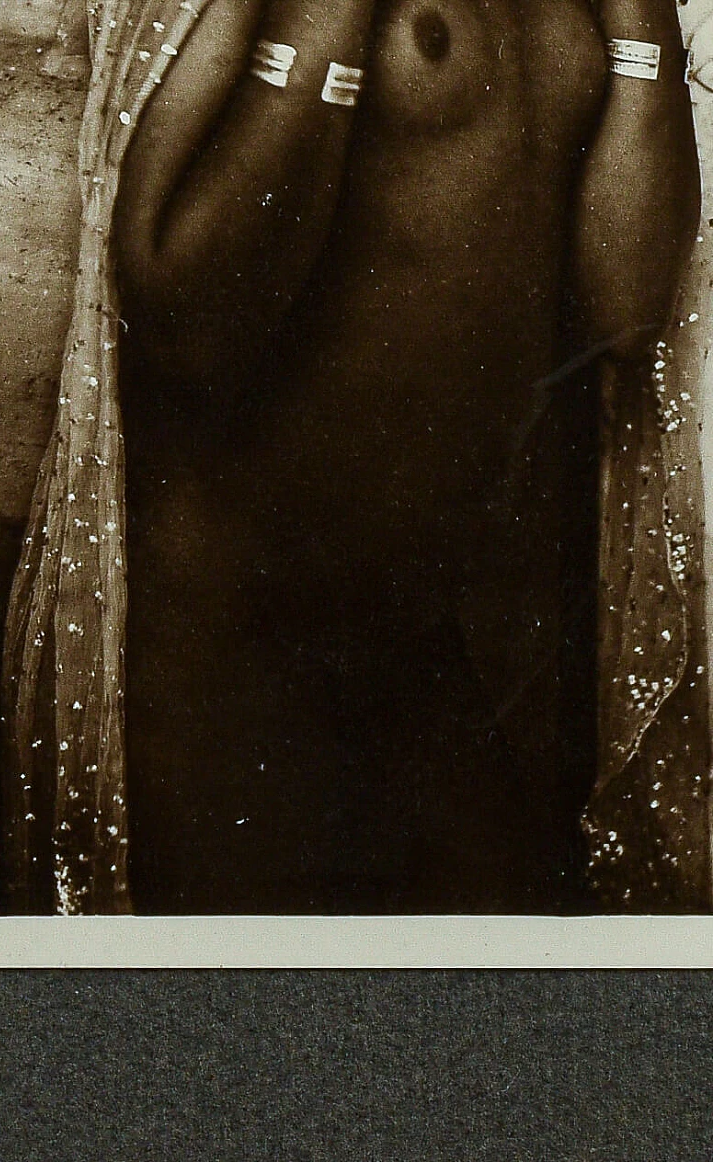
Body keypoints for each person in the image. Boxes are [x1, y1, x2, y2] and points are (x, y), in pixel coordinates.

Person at [98, 0, 702, 911]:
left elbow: (625, 311)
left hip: (463, 649)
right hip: (258, 635)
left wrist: (640, 29)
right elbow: (185, 325)